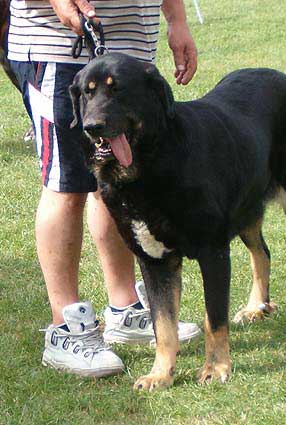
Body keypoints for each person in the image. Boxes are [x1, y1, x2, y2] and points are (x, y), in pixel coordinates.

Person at [7, 0, 200, 378]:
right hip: (60, 46)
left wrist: (176, 19)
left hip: (131, 52)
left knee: (116, 183)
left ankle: (124, 307)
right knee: (66, 184)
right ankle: (66, 328)